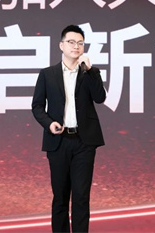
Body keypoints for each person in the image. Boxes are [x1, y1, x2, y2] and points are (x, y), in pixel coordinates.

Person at [32, 24, 107, 233]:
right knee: (60, 197)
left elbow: (100, 98)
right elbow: (37, 106)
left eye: (80, 43)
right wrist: (49, 124)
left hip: (84, 142)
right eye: (71, 42)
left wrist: (90, 71)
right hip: (58, 141)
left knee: (81, 196)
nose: (76, 46)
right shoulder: (48, 74)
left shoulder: (90, 72)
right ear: (61, 45)